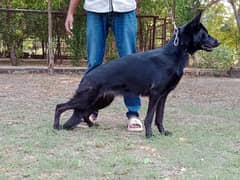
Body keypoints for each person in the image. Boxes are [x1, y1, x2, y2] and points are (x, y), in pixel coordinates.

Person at [65, 0, 142, 131]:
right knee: (94, 63)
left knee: (130, 65)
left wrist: (131, 4)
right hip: (95, 9)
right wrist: (70, 12)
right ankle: (88, 111)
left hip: (125, 9)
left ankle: (133, 113)